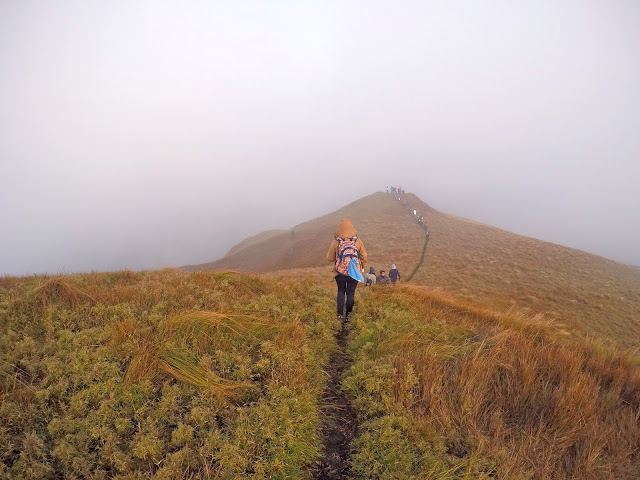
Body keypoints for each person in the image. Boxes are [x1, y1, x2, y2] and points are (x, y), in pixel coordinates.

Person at [326, 219, 367, 322]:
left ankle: (340, 314)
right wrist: (362, 267)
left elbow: (329, 258)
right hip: (354, 273)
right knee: (351, 293)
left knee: (341, 291)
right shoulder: (357, 241)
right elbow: (364, 256)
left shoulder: (336, 242)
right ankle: (348, 315)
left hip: (340, 273)